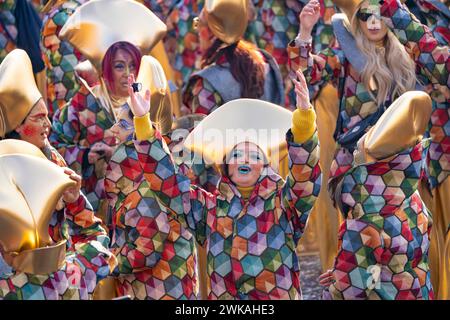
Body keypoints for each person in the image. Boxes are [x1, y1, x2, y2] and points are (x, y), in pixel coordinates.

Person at [290, 0, 449, 292]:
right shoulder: (346, 54)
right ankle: (364, 287)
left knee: (403, 251)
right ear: (357, 20)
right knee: (364, 254)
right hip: (361, 173)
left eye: (380, 15)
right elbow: (306, 74)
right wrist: (304, 31)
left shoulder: (410, 53)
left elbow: (442, 73)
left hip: (404, 170)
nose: (374, 22)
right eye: (366, 15)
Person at [125, 67, 321, 299]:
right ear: (226, 166)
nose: (245, 159)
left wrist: (305, 122)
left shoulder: (284, 204)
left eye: (255, 156)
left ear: (265, 166)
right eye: (237, 155)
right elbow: (168, 184)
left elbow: (304, 177)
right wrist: (142, 122)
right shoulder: (209, 209)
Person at [0, 48, 116, 300]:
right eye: (39, 118)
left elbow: (92, 234)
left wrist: (74, 201)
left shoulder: (51, 157)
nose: (48, 125)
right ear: (19, 126)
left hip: (59, 279)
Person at [49, 0, 168, 224]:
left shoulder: (148, 103)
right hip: (93, 212)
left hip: (144, 215)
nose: (127, 74)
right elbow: (52, 147)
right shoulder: (82, 104)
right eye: (119, 66)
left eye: (133, 66)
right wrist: (86, 154)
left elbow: (167, 154)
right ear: (106, 70)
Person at [320, 91, 434, 300]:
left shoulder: (365, 220)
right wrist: (346, 271)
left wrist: (338, 284)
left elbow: (351, 293)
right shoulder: (411, 196)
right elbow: (389, 265)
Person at [103, 56, 199, 300]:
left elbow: (147, 248)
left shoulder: (145, 175)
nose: (113, 130)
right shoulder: (150, 165)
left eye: (122, 123)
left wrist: (105, 264)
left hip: (157, 289)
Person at [181, 0, 285, 115]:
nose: (197, 30)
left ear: (212, 33)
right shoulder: (265, 64)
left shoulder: (206, 84)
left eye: (198, 23)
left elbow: (202, 130)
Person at [41, 0, 89, 118]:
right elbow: (69, 71)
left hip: (63, 94)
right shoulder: (68, 13)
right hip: (68, 98)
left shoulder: (66, 10)